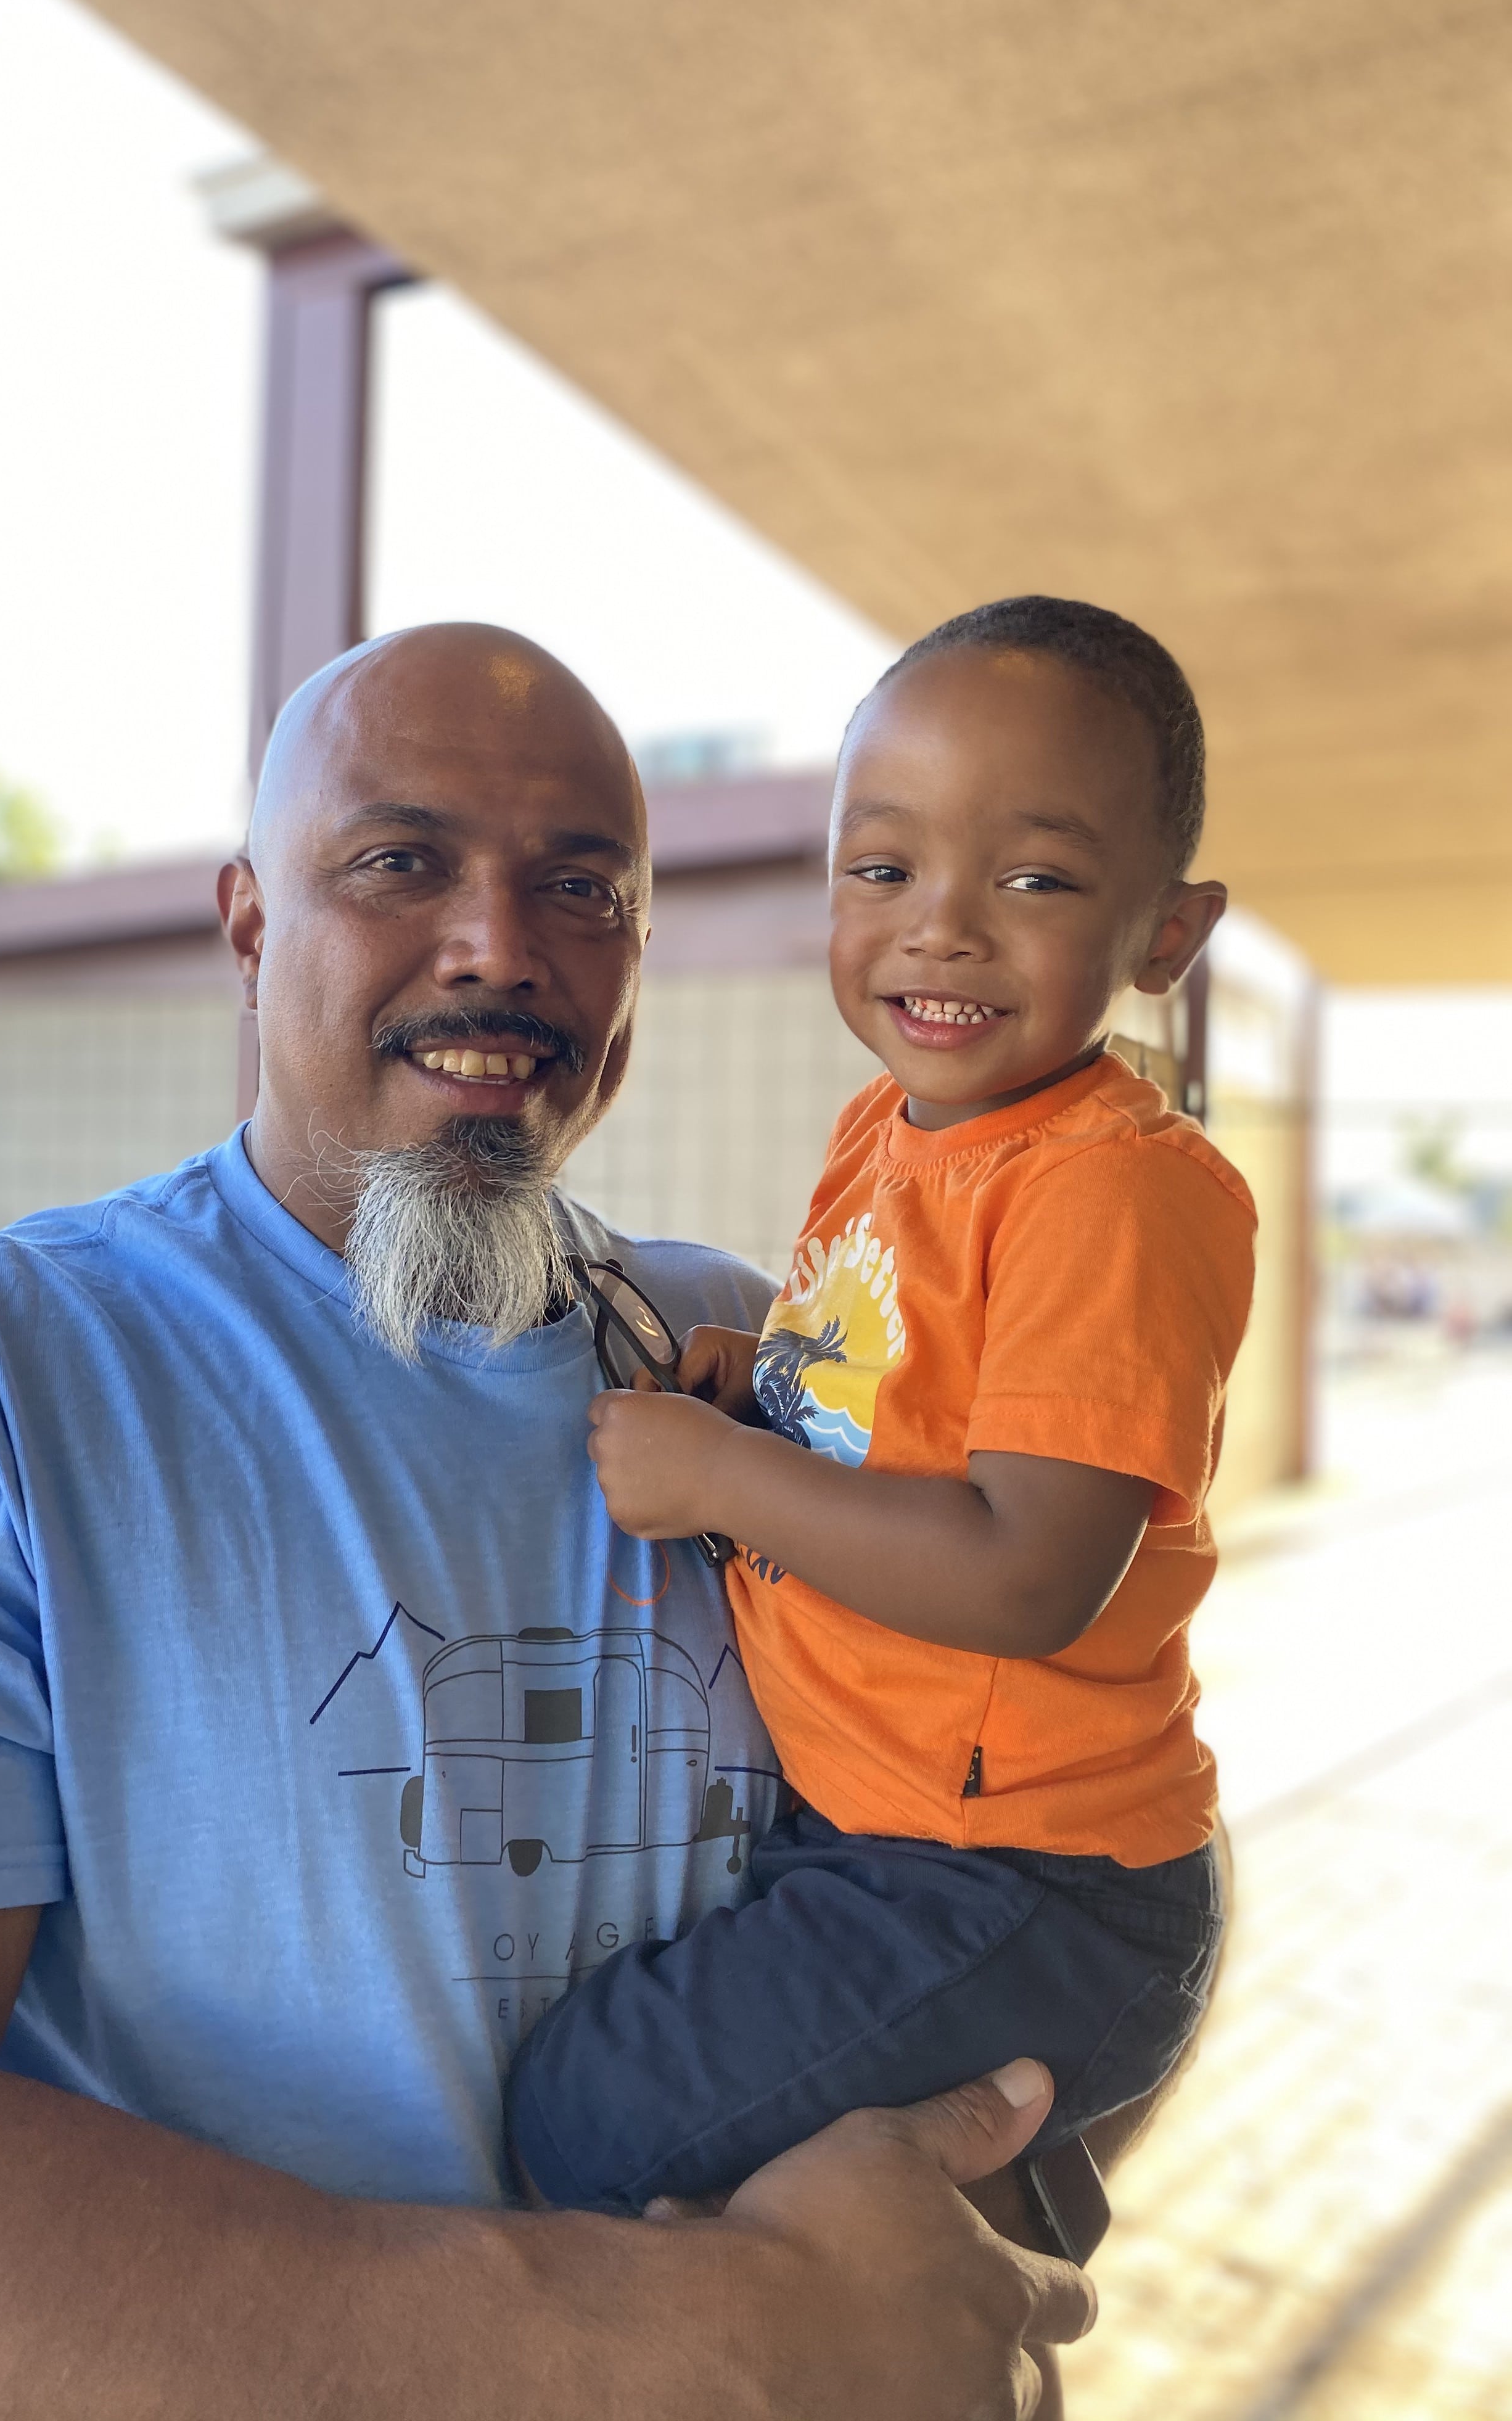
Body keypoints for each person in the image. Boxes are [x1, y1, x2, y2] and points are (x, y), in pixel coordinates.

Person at [0, 623, 1096, 2420]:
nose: (499, 947)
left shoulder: (765, 1365)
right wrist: (718, 2343)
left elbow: (1017, 1843)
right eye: (402, 864)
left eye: (582, 886)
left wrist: (961, 2239)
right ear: (254, 929)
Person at [509, 598, 1254, 2213]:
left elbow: (1025, 1571)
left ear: (1165, 936)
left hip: (1015, 1877)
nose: (944, 928)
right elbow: (894, 1391)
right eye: (885, 868)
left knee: (589, 2119)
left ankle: (998, 2228)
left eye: (1037, 879)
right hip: (880, 1818)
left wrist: (723, 1480)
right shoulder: (892, 1128)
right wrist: (765, 1393)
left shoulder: (1112, 1190)